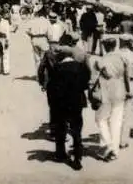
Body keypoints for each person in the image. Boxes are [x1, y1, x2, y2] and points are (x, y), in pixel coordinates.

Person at [51, 37, 90, 170]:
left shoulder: (58, 68)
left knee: (61, 127)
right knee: (76, 129)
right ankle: (78, 158)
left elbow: (52, 87)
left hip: (62, 103)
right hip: (77, 102)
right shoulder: (80, 67)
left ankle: (60, 153)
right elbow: (86, 83)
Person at [93, 37, 128, 161]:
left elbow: (99, 74)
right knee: (116, 122)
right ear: (115, 46)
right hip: (120, 90)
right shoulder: (122, 58)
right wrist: (127, 90)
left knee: (100, 119)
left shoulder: (102, 60)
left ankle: (107, 144)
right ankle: (114, 151)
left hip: (106, 92)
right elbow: (126, 75)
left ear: (104, 47)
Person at [117, 34, 133, 149]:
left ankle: (113, 138)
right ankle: (122, 141)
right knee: (126, 113)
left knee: (115, 112)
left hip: (116, 84)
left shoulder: (114, 54)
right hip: (130, 84)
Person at [26, 10, 51, 75]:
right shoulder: (46, 21)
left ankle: (38, 76)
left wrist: (32, 35)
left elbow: (27, 31)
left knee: (37, 59)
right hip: (43, 39)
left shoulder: (32, 21)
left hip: (34, 39)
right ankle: (44, 75)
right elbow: (49, 33)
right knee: (44, 58)